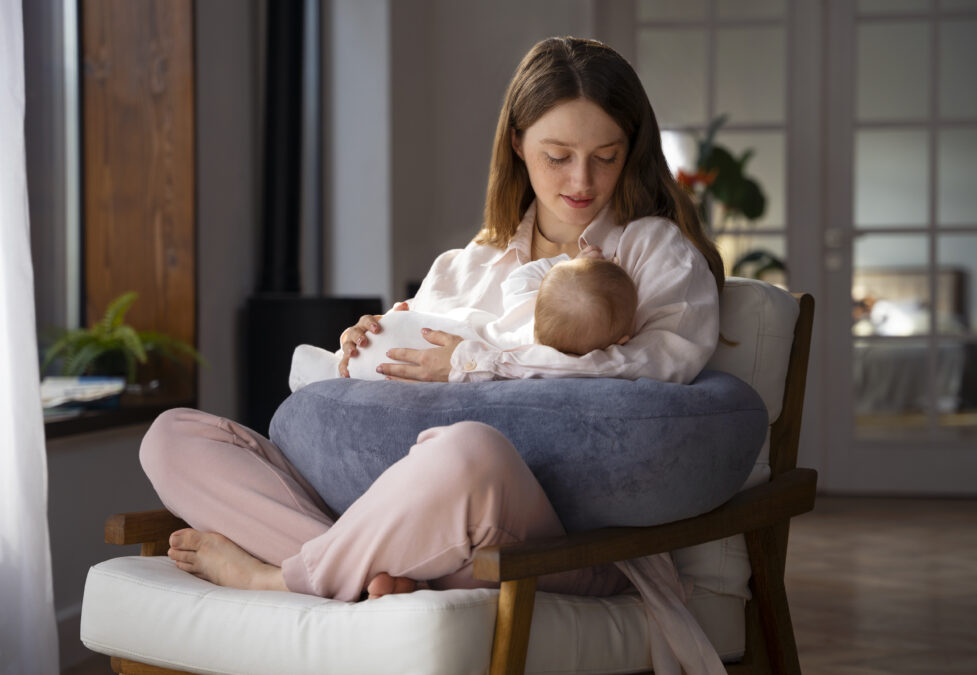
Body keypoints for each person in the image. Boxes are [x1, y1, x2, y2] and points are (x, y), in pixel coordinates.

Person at [139, 37, 726, 667]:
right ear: (518, 145)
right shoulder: (463, 267)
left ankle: (277, 576)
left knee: (468, 450)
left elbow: (659, 372)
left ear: (631, 153)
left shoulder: (652, 254)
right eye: (558, 157)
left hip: (557, 542)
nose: (581, 181)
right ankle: (389, 572)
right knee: (173, 437)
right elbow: (389, 398)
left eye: (605, 157)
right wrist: (360, 357)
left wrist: (479, 362)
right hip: (412, 517)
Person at [288, 246, 637, 389]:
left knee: (343, 369)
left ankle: (329, 369)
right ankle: (329, 370)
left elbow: (522, 278)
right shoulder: (549, 361)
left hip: (409, 330)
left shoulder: (526, 302)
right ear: (619, 340)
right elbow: (603, 367)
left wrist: (570, 261)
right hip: (406, 343)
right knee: (352, 368)